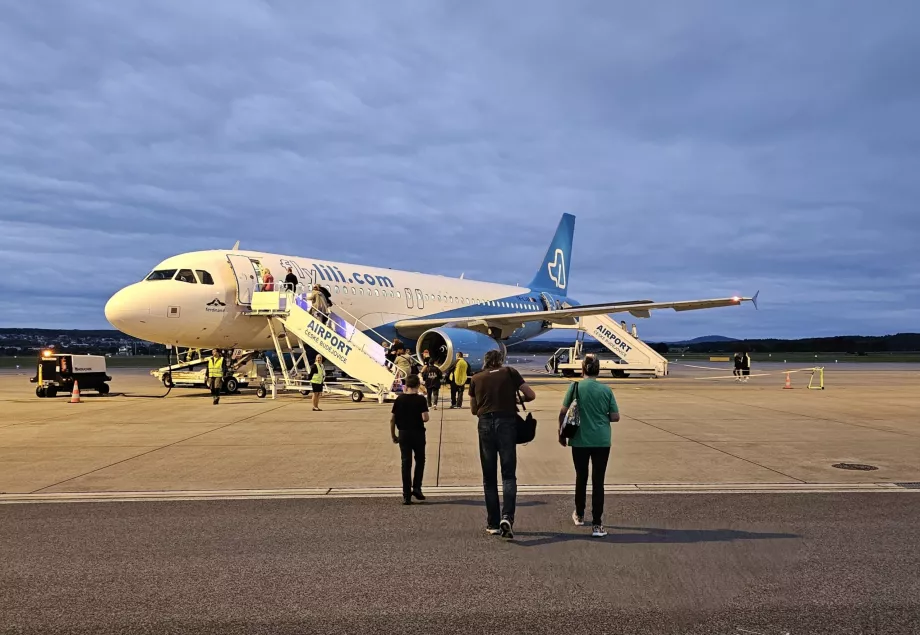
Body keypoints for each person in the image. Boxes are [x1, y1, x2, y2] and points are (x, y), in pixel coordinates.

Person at [469, 349, 536, 538]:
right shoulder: (510, 372)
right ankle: (507, 517)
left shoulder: (476, 378)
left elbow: (474, 410)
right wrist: (515, 399)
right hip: (507, 423)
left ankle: (493, 523)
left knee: (489, 477)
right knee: (508, 475)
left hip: (485, 426)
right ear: (500, 360)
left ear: (485, 361)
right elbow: (531, 395)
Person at [558, 354, 619, 538]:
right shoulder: (606, 390)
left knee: (581, 477)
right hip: (601, 440)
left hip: (579, 440)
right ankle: (598, 525)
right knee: (598, 481)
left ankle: (579, 514)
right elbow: (615, 417)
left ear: (582, 369)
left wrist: (561, 434)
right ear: (598, 370)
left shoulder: (575, 386)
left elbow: (562, 412)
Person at [390, 374, 430, 505]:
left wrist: (393, 435)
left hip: (404, 434)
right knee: (420, 460)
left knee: (406, 463)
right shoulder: (420, 400)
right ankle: (417, 487)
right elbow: (425, 418)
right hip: (418, 433)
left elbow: (392, 419)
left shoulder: (399, 399)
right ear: (418, 386)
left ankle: (406, 495)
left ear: (406, 386)